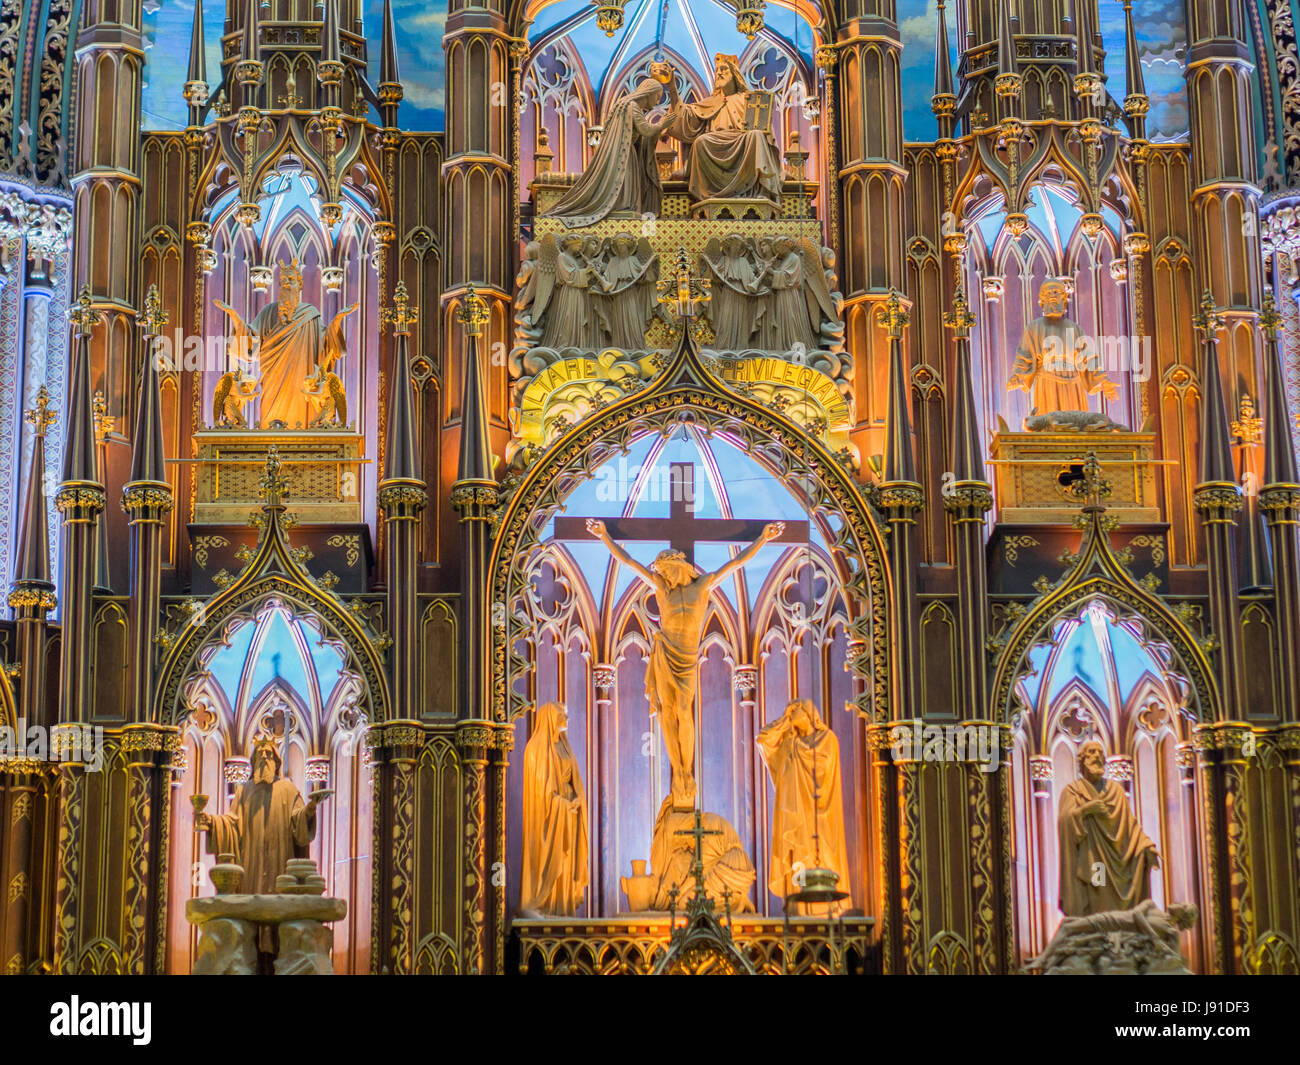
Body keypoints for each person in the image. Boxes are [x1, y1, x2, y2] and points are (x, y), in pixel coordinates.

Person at [585, 518, 786, 807]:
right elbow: (629, 562)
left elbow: (737, 563)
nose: (661, 574)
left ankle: (686, 769)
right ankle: (678, 770)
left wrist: (764, 539)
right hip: (666, 651)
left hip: (687, 656)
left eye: (665, 570)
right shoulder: (661, 589)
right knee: (668, 712)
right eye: (660, 572)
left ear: (676, 565)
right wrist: (604, 537)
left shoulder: (702, 586)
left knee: (682, 710)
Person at [215, 260, 356, 428]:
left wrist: (337, 320)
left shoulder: (310, 314)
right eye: (283, 281)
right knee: (269, 426)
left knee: (302, 424)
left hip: (302, 380)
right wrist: (235, 317)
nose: (286, 284)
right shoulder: (268, 312)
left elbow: (325, 347)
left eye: (291, 279)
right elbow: (250, 340)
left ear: (300, 284)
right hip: (272, 381)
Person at [757, 699, 849, 913]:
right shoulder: (791, 743)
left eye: (795, 710)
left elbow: (824, 772)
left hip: (821, 815)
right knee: (798, 863)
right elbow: (763, 740)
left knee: (822, 860)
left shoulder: (828, 740)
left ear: (808, 713)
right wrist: (784, 720)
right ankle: (802, 911)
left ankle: (826, 909)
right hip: (796, 816)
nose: (791, 714)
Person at [543, 79, 671, 228]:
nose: (657, 103)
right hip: (625, 155)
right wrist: (663, 124)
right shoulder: (632, 106)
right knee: (625, 182)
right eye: (657, 97)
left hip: (628, 153)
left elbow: (644, 135)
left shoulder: (627, 105)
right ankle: (623, 208)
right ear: (649, 92)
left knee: (628, 184)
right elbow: (646, 130)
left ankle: (626, 207)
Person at [1057, 740, 1159, 915]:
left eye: (1099, 753)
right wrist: (1086, 810)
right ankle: (1099, 932)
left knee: (1118, 898)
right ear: (1082, 761)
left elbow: (1131, 826)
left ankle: (1119, 930)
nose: (1096, 756)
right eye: (1091, 753)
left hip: (1118, 859)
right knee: (1099, 891)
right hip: (1094, 858)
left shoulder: (1116, 791)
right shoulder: (1073, 791)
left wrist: (1146, 846)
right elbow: (1065, 821)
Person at [662, 53, 781, 203]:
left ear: (735, 74)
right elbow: (684, 116)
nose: (719, 73)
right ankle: (707, 195)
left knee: (756, 135)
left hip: (743, 141)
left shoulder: (748, 99)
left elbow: (762, 126)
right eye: (717, 71)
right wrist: (672, 87)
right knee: (701, 142)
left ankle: (761, 189)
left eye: (724, 69)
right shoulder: (710, 102)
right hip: (716, 142)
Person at [519, 702, 589, 917]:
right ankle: (544, 905)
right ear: (549, 718)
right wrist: (562, 804)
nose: (566, 721)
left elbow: (574, 780)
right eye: (562, 716)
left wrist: (578, 800)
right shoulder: (536, 748)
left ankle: (563, 909)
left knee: (566, 863)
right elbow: (541, 793)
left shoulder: (564, 745)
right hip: (551, 819)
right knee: (550, 861)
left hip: (569, 815)